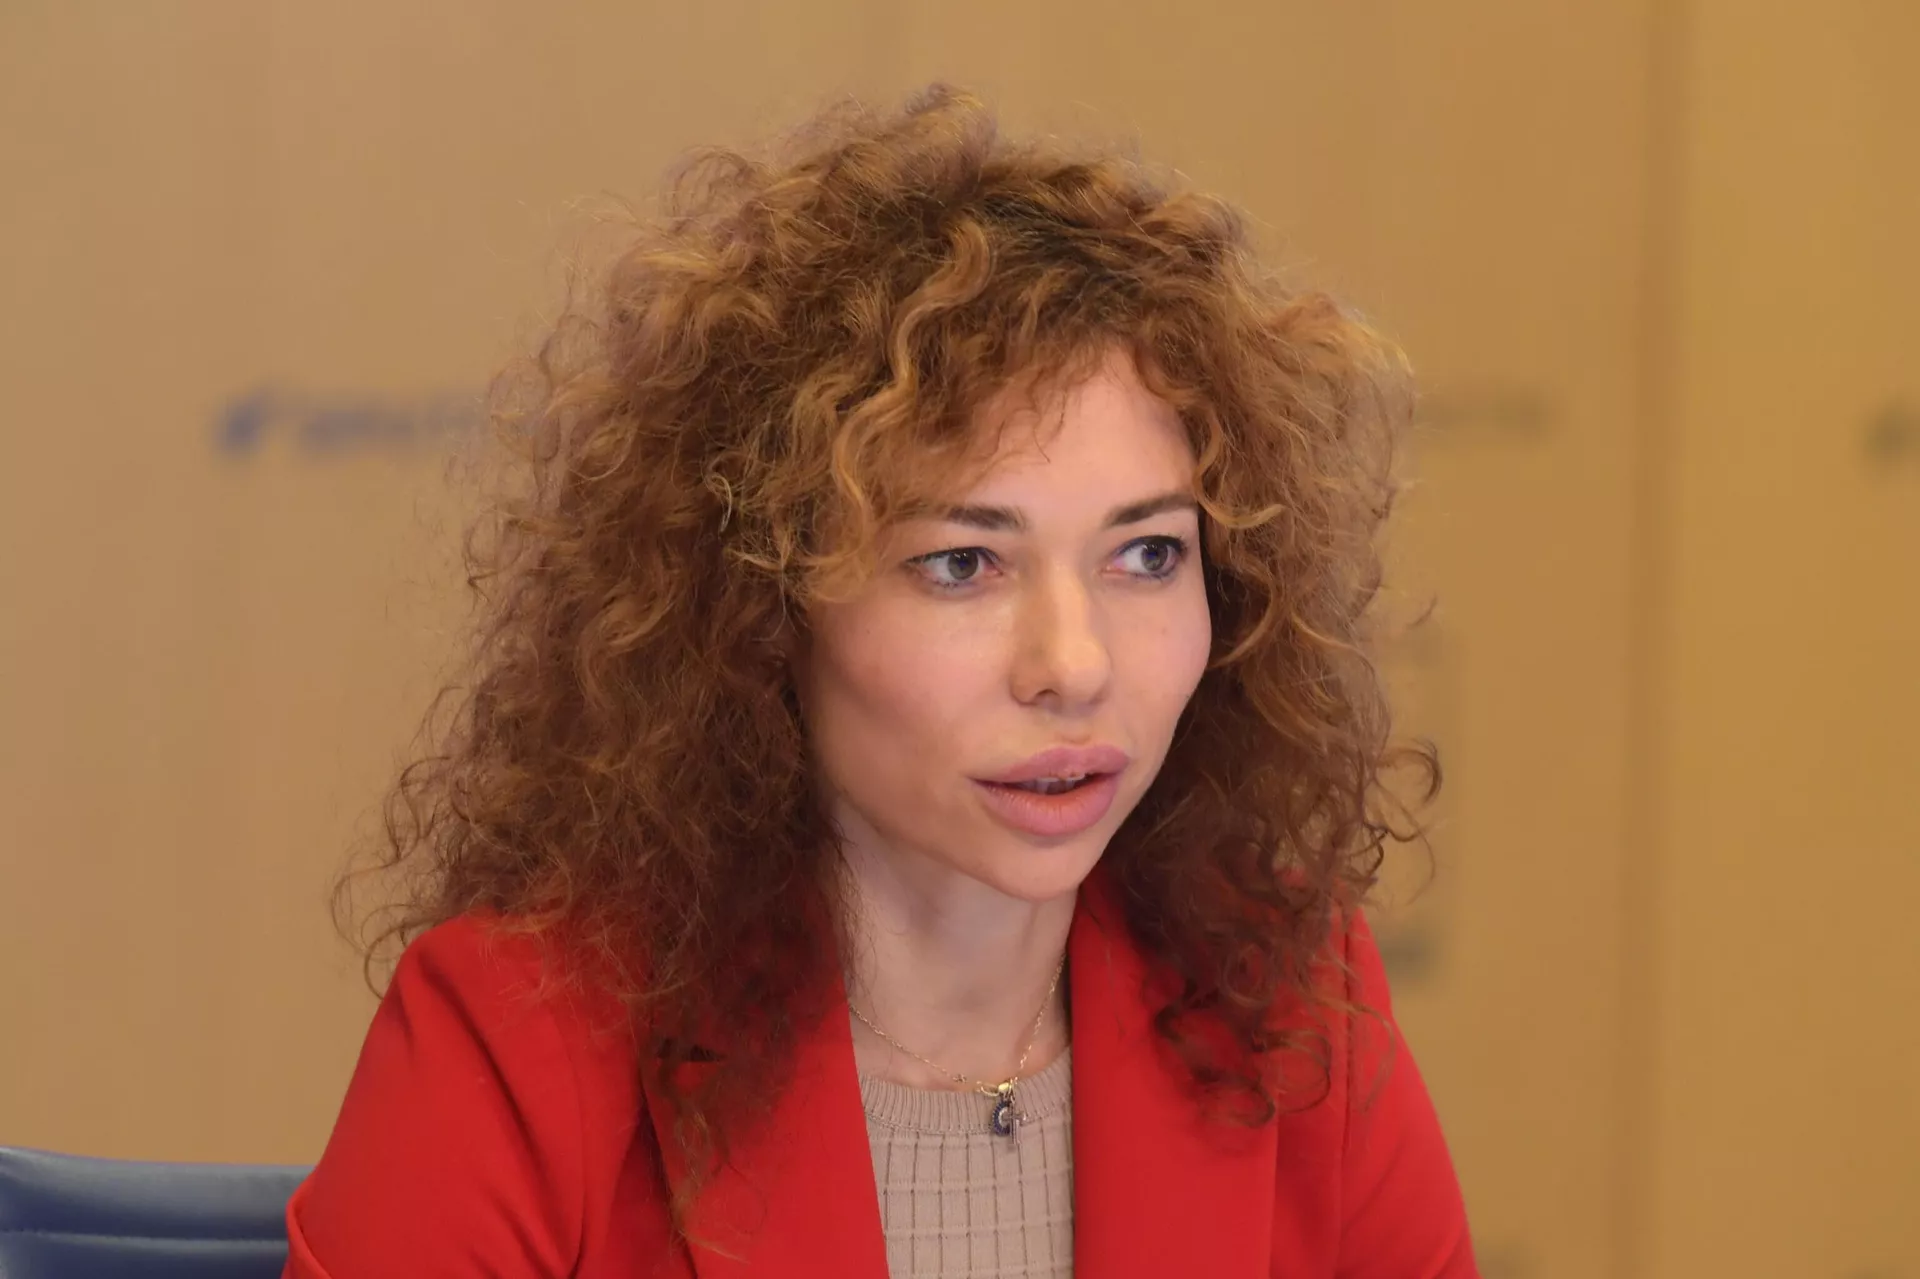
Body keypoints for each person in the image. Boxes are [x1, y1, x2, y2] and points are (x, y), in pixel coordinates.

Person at [283, 85, 1476, 1278]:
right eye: (962, 564)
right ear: (764, 605)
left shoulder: (1291, 998)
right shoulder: (521, 1041)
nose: (1075, 665)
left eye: (1148, 554)